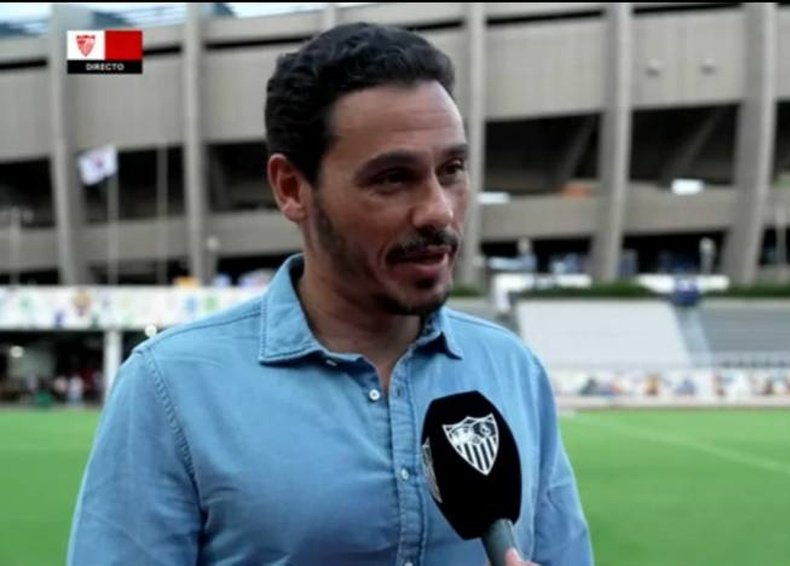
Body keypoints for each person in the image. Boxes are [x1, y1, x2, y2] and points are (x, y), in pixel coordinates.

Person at [68, 22, 592, 566]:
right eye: (392, 177)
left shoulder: (511, 367)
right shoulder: (170, 386)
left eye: (452, 169)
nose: (438, 209)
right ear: (292, 189)